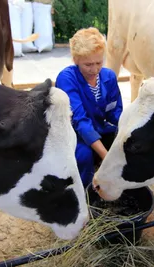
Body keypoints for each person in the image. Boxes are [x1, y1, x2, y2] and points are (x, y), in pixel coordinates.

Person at [55, 27, 123, 188]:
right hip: (73, 134)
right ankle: (86, 193)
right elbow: (80, 122)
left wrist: (129, 128)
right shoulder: (66, 78)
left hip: (99, 128)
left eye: (99, 63)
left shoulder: (109, 77)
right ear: (75, 60)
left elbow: (116, 113)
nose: (95, 69)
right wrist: (106, 157)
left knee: (127, 145)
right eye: (88, 64)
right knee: (84, 156)